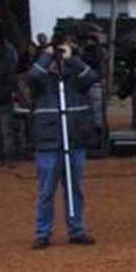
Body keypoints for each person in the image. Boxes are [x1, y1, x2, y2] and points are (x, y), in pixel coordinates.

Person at [27, 42, 97, 249]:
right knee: (46, 191)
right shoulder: (40, 83)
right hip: (48, 143)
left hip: (74, 141)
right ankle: (42, 232)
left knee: (75, 189)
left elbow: (91, 76)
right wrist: (46, 55)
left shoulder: (75, 80)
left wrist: (71, 58)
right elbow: (33, 76)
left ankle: (77, 229)